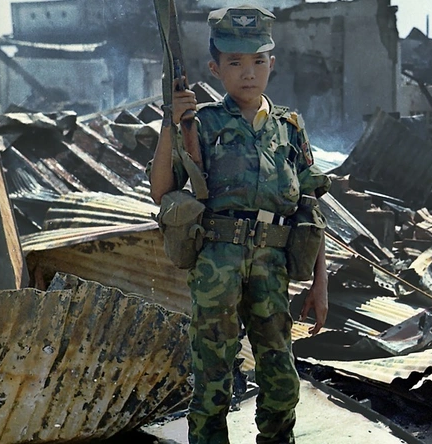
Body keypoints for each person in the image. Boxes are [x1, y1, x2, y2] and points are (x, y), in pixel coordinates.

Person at [148, 4, 331, 443]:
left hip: (272, 266)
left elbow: (311, 210)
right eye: (234, 62)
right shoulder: (201, 123)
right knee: (212, 386)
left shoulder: (290, 127)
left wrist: (319, 283)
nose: (248, 73)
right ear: (215, 69)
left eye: (258, 61)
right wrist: (171, 123)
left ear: (272, 63)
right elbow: (162, 190)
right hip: (218, 264)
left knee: (282, 384)